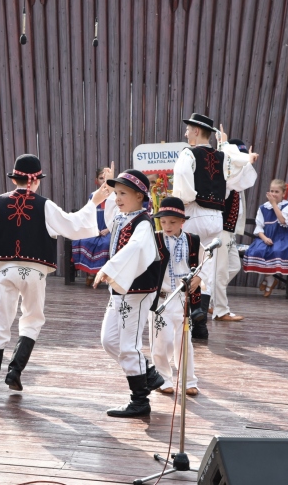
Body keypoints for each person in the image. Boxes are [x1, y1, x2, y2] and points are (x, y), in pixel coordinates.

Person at [0, 154, 106, 399]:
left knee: (0, 322)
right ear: (36, 181)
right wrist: (94, 203)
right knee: (32, 319)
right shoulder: (45, 205)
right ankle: (14, 371)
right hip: (35, 271)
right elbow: (74, 225)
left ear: (15, 179)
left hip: (7, 270)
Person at [172, 113, 258, 340]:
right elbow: (241, 180)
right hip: (216, 219)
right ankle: (200, 323)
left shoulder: (188, 153)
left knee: (188, 265)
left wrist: (184, 198)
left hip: (194, 213)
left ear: (197, 131)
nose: (186, 133)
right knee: (206, 267)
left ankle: (193, 313)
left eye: (188, 129)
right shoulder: (222, 157)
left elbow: (181, 175)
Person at [93, 166, 163, 418]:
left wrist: (109, 268)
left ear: (140, 197)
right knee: (109, 340)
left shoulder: (143, 223)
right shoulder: (122, 216)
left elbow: (134, 249)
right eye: (116, 193)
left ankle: (140, 400)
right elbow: (106, 206)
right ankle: (148, 372)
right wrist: (99, 197)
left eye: (123, 193)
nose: (117, 198)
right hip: (121, 290)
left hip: (138, 289)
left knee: (128, 344)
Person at [149, 197, 203, 397]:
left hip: (183, 299)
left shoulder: (193, 240)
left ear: (182, 221)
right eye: (163, 222)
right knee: (160, 341)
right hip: (160, 299)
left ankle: (189, 380)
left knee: (184, 340)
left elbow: (204, 263)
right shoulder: (155, 239)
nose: (167, 226)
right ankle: (163, 379)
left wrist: (198, 277)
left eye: (172, 222)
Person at [210, 138, 256, 319]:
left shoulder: (235, 181)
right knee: (220, 271)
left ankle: (209, 298)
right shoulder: (225, 179)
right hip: (220, 229)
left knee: (234, 266)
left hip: (229, 231)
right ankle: (220, 310)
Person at [242, 179, 288, 296]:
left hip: (282, 237)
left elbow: (283, 220)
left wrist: (274, 204)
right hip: (266, 237)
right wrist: (264, 238)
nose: (273, 194)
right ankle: (270, 279)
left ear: (283, 193)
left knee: (276, 250)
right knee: (258, 250)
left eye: (276, 192)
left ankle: (268, 280)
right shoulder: (263, 208)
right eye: (271, 191)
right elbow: (259, 228)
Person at [71, 168, 110, 285]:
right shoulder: (93, 195)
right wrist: (95, 228)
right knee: (84, 240)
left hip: (109, 229)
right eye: (101, 178)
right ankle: (90, 273)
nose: (104, 181)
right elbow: (89, 213)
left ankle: (102, 274)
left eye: (106, 178)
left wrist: (108, 229)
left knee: (106, 243)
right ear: (96, 180)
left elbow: (119, 215)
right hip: (95, 228)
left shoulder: (115, 195)